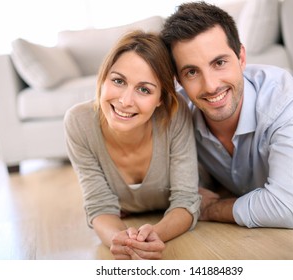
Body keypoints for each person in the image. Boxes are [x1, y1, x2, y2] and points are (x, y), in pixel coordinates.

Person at [160, 2, 293, 229]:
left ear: (241, 58)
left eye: (220, 62)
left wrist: (211, 209)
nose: (211, 85)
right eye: (192, 72)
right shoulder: (179, 110)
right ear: (179, 80)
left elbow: (288, 209)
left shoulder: (283, 99)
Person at [64, 30, 201, 259]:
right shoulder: (79, 122)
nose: (125, 101)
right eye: (118, 81)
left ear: (160, 99)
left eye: (144, 89)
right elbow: (99, 207)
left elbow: (186, 200)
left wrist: (154, 235)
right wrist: (121, 242)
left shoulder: (175, 115)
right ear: (103, 78)